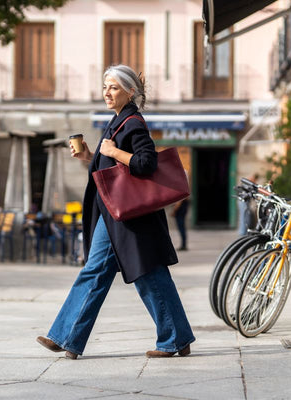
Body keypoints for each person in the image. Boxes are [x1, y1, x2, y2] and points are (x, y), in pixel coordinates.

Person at [36, 64, 195, 360]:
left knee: (147, 274)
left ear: (130, 91)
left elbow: (146, 163)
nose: (107, 92)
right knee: (106, 272)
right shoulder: (118, 121)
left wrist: (112, 152)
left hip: (128, 216)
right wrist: (88, 155)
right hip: (115, 215)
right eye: (105, 86)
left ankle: (175, 339)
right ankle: (67, 336)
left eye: (114, 87)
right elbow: (111, 170)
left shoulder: (133, 122)